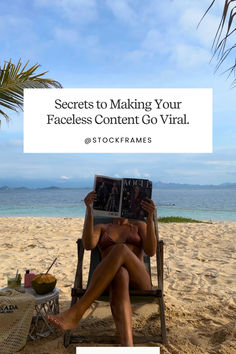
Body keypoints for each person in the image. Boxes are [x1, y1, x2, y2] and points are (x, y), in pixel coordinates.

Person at [46, 191, 157, 346]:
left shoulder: (139, 226)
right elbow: (88, 245)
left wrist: (150, 218)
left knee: (120, 249)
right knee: (120, 274)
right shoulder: (102, 227)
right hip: (107, 281)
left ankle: (77, 311)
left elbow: (151, 251)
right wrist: (89, 211)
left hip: (139, 280)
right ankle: (128, 346)